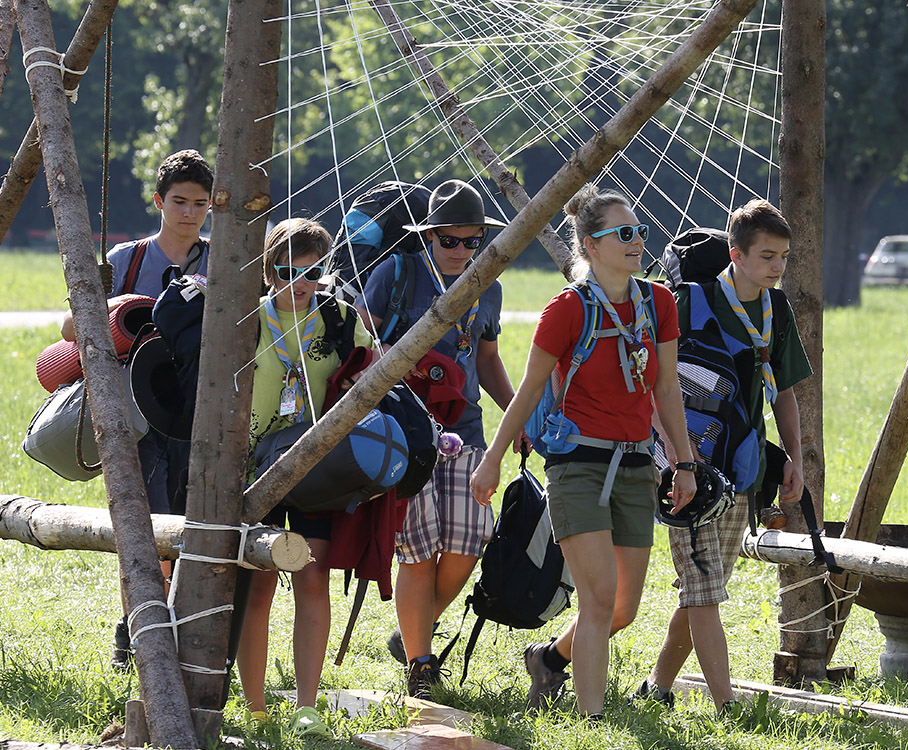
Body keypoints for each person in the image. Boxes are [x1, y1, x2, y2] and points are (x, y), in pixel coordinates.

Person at [470, 184, 697, 720]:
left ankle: (548, 658)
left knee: (622, 607)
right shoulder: (567, 309)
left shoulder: (659, 302)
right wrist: (492, 458)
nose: (637, 241)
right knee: (598, 598)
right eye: (624, 233)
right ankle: (591, 721)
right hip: (577, 466)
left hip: (638, 464)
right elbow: (528, 391)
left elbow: (666, 391)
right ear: (591, 245)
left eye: (640, 231)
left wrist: (684, 463)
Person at [634, 199, 812, 713]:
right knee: (705, 591)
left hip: (741, 469)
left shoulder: (776, 310)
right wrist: (675, 456)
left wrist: (793, 460)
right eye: (766, 256)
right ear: (735, 254)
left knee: (704, 586)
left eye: (782, 257)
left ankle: (656, 688)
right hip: (681, 466)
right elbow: (651, 382)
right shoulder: (687, 302)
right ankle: (726, 706)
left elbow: (783, 392)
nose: (777, 267)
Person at [355, 178, 519, 698]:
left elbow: (488, 360)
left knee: (468, 542)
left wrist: (517, 417)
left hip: (466, 432)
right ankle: (421, 664)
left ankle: (409, 633)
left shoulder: (488, 287)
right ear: (429, 236)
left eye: (473, 242)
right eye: (450, 240)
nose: (462, 251)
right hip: (406, 433)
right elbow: (362, 341)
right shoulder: (395, 273)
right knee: (419, 549)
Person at [60, 149, 214, 669]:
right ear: (158, 201)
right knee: (142, 522)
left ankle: (172, 630)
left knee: (192, 525)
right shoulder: (127, 260)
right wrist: (105, 304)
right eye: (179, 201)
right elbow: (68, 333)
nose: (189, 213)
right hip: (135, 413)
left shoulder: (224, 262)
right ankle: (137, 630)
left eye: (200, 203)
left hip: (200, 414)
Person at [235, 218, 374, 719]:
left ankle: (306, 707)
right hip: (253, 470)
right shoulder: (247, 318)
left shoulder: (340, 317)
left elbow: (372, 375)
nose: (301, 283)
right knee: (260, 584)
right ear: (268, 270)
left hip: (317, 469)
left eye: (313, 272)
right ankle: (255, 708)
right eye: (287, 270)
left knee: (311, 581)